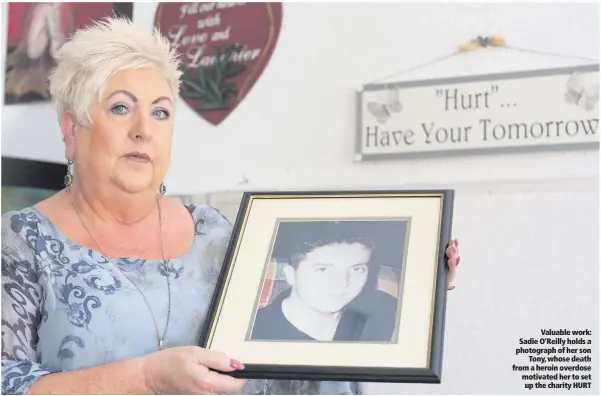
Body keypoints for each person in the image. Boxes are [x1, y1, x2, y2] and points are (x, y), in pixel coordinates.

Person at [1, 17, 461, 395]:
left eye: (161, 112)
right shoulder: (18, 242)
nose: (144, 129)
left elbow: (295, 344)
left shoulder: (215, 233)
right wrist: (146, 379)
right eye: (121, 108)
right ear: (71, 129)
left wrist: (418, 276)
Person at [250, 221, 402, 342]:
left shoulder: (388, 310)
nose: (342, 283)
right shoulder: (254, 332)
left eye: (357, 269)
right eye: (323, 269)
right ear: (290, 274)